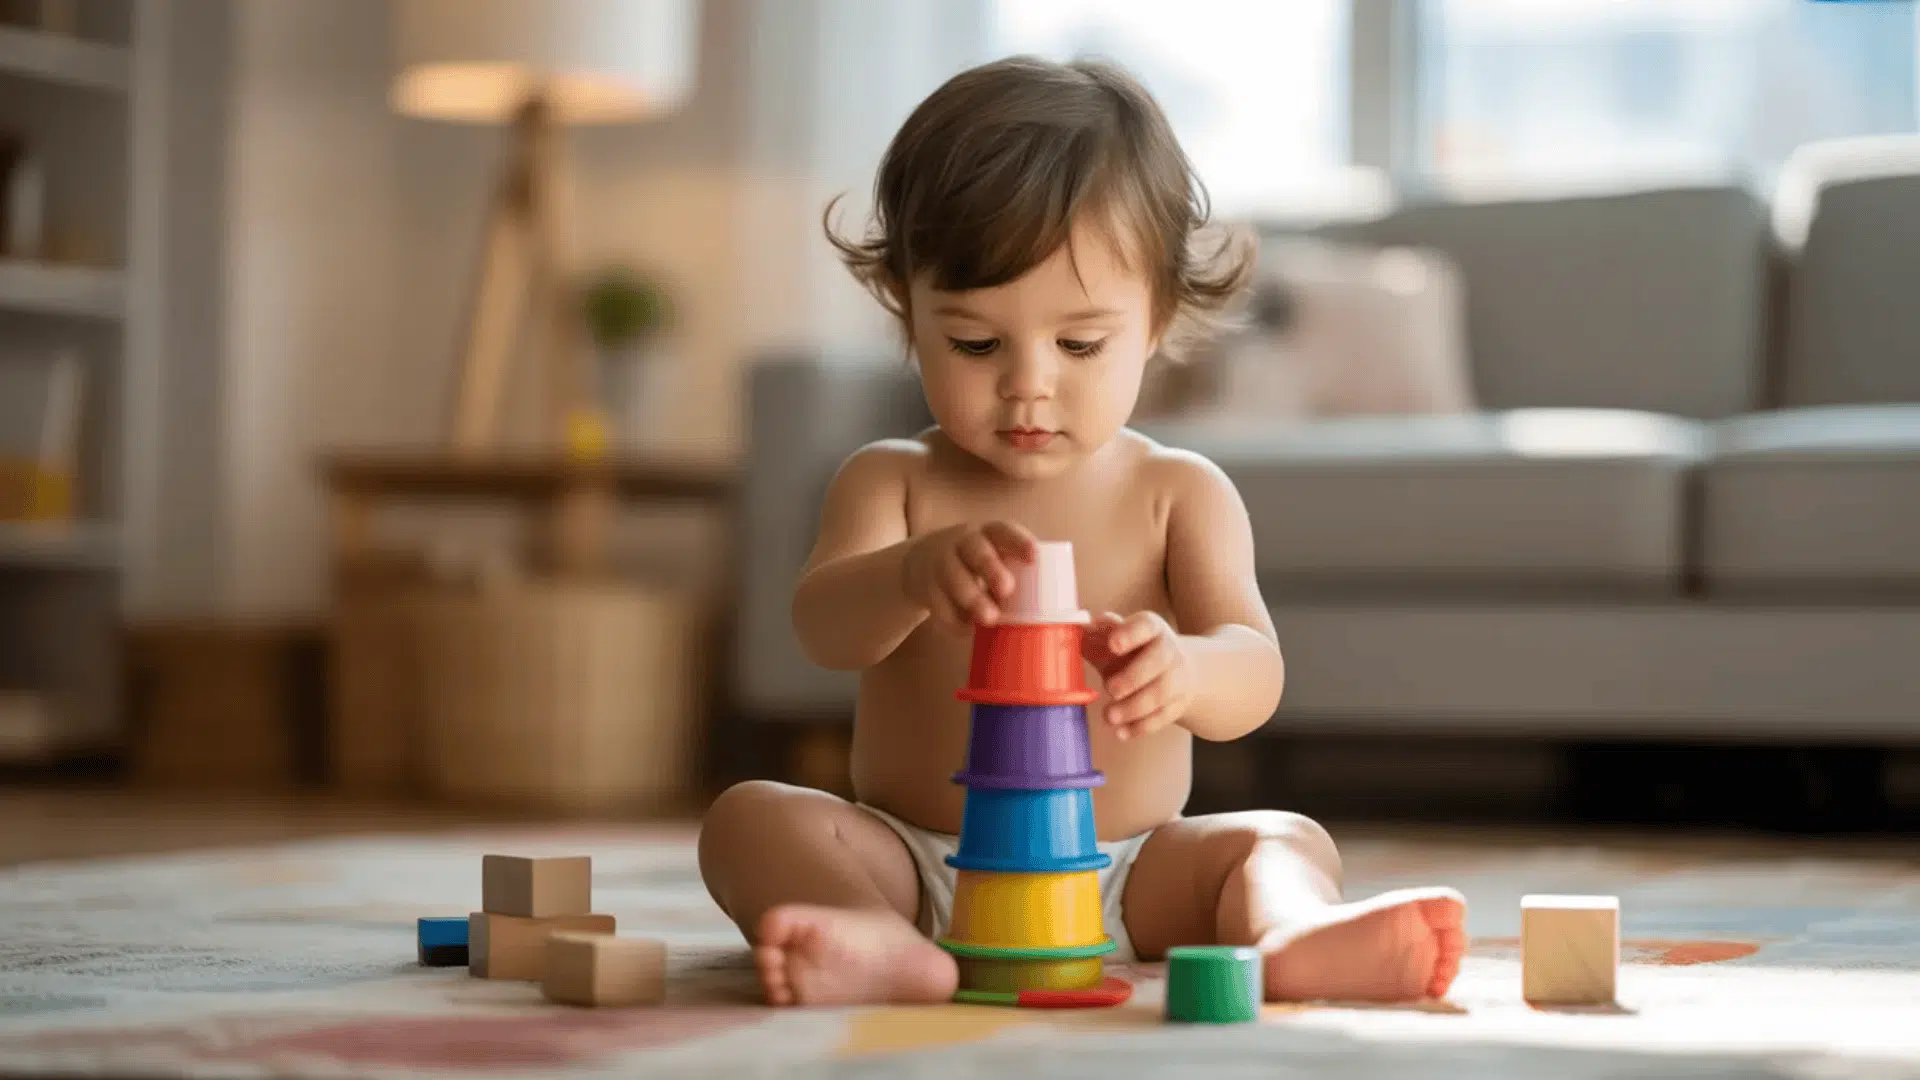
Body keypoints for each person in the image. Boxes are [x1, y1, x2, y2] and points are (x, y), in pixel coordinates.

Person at [698, 54, 1467, 1007]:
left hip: (1135, 872)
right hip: (918, 868)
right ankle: (873, 942)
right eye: (976, 343)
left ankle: (1287, 935)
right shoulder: (892, 479)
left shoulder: (1179, 492)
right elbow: (820, 632)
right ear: (908, 309)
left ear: (1157, 320)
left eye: (1079, 343)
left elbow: (1254, 672)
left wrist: (1184, 668)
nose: (1028, 382)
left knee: (1282, 839)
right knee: (750, 820)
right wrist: (906, 576)